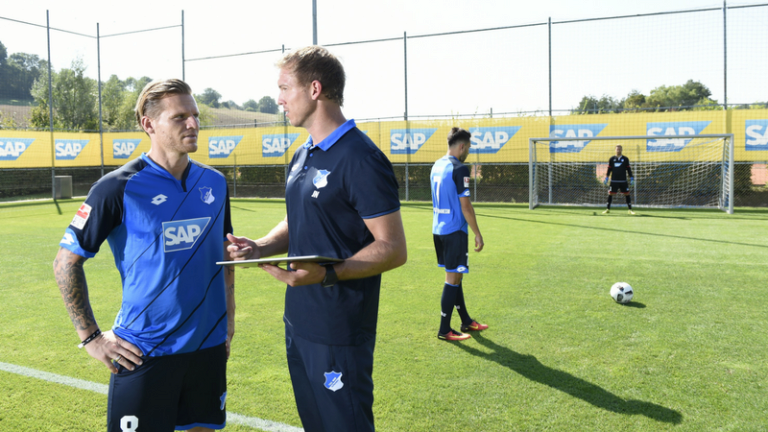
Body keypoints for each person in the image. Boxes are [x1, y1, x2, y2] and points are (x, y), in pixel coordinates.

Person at [227, 46, 407, 432]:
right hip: (299, 320)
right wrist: (260, 246)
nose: (278, 99)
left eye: (284, 88)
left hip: (339, 328)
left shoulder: (361, 157)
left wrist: (327, 275)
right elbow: (300, 218)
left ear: (314, 89)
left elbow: (392, 248)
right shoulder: (303, 153)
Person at [53, 79, 235, 432]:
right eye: (180, 117)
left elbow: (223, 255)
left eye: (195, 115)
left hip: (208, 348)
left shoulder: (214, 183)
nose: (193, 124)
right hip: (144, 352)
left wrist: (228, 322)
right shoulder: (116, 188)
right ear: (148, 124)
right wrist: (90, 337)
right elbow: (66, 262)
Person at [430, 127, 488, 342]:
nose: (468, 152)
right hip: (454, 230)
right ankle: (444, 329)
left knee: (457, 275)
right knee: (452, 279)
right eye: (469, 147)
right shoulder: (459, 168)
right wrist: (477, 233)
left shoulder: (437, 165)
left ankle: (465, 320)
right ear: (462, 146)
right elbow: (466, 206)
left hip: (439, 229)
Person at [603, 144, 635, 215]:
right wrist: (607, 177)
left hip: (623, 180)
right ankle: (607, 209)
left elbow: (628, 169)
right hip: (614, 180)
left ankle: (630, 210)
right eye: (617, 149)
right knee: (610, 194)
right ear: (615, 150)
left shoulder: (625, 159)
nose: (618, 150)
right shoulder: (611, 159)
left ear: (621, 150)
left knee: (627, 194)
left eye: (619, 149)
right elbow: (609, 169)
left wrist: (631, 178)